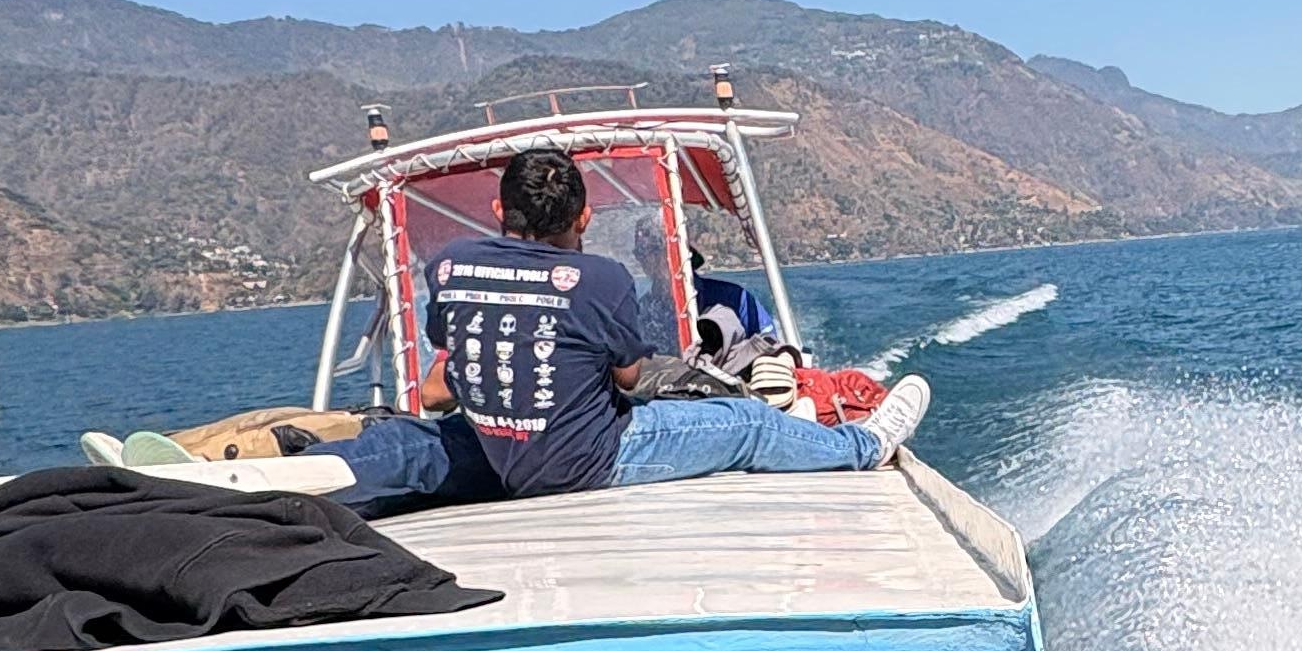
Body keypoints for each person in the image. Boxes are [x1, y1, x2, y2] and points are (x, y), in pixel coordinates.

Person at [325, 145, 929, 506]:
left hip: (497, 453)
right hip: (588, 462)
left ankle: (301, 477)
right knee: (745, 423)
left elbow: (448, 372)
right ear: (585, 217)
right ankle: (864, 446)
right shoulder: (602, 278)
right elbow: (631, 377)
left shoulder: (451, 264)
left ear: (498, 211)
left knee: (404, 444)